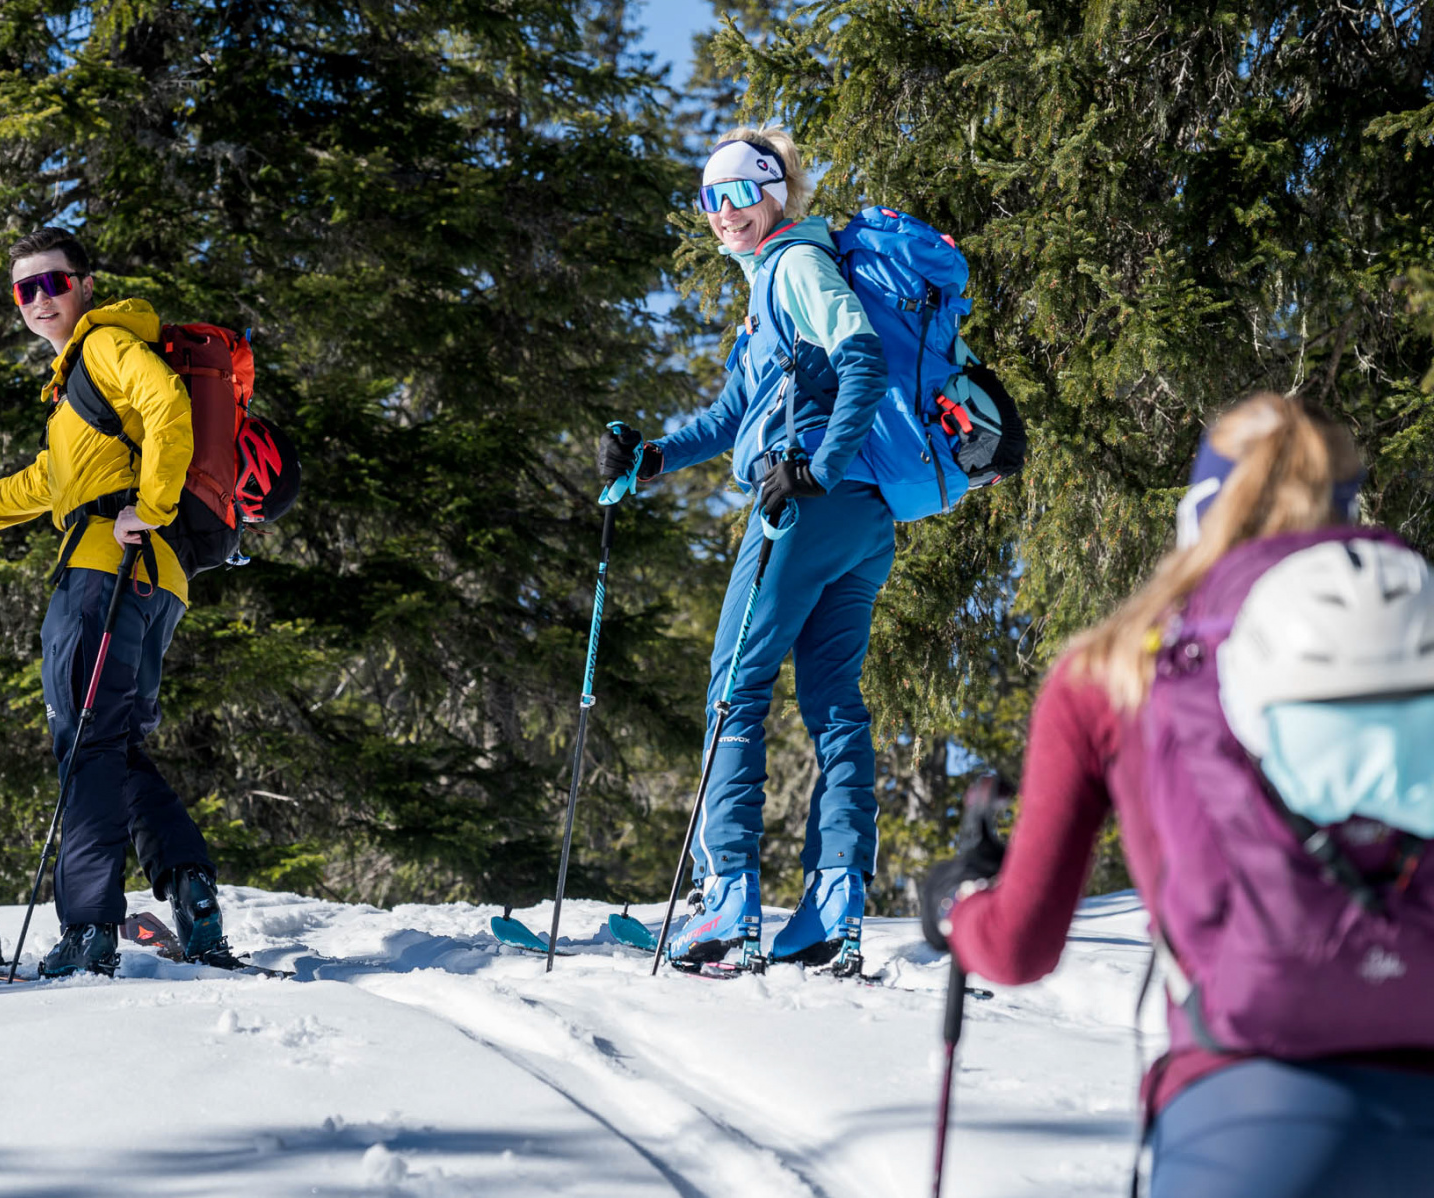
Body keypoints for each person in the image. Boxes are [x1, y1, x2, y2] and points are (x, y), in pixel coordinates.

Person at [923, 392, 1434, 1196]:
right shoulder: (1421, 645)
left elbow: (1020, 947)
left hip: (1245, 1126)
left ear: (1198, 508)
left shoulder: (1115, 670)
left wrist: (959, 910)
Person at [600, 127, 889, 971]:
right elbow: (733, 415)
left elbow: (864, 359)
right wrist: (651, 459)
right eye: (709, 198)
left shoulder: (795, 265)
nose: (723, 212)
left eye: (738, 194)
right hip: (862, 517)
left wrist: (815, 469)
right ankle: (833, 906)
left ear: (774, 194)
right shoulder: (772, 285)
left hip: (806, 506)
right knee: (833, 701)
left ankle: (727, 901)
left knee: (734, 687)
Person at [0, 227, 229, 977]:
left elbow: (167, 406)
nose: (38, 299)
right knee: (112, 744)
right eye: (24, 289)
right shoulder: (75, 391)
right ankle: (191, 889)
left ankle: (89, 928)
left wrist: (149, 507)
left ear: (85, 285)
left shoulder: (105, 346)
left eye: (52, 282)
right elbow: (47, 482)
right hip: (153, 578)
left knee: (85, 744)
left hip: (106, 570)